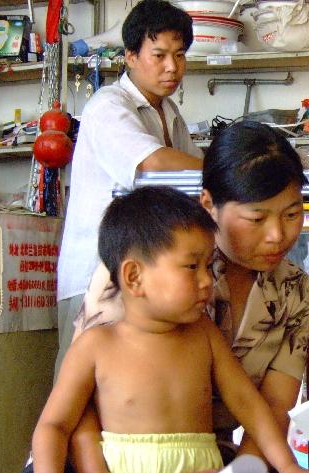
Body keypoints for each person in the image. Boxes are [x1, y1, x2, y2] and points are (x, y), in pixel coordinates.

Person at [0, 121, 309, 473]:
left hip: (206, 464)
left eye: (292, 213)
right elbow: (76, 407)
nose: (277, 235)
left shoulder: (292, 291)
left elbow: (265, 407)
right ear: (209, 203)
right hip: (96, 457)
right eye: (256, 217)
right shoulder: (147, 264)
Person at [56, 0, 203, 374]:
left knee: (130, 387)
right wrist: (230, 172)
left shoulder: (169, 112)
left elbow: (193, 172)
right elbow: (152, 164)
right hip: (96, 272)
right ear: (131, 56)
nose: (172, 67)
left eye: (180, 55)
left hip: (140, 273)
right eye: (159, 55)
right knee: (80, 386)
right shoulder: (108, 105)